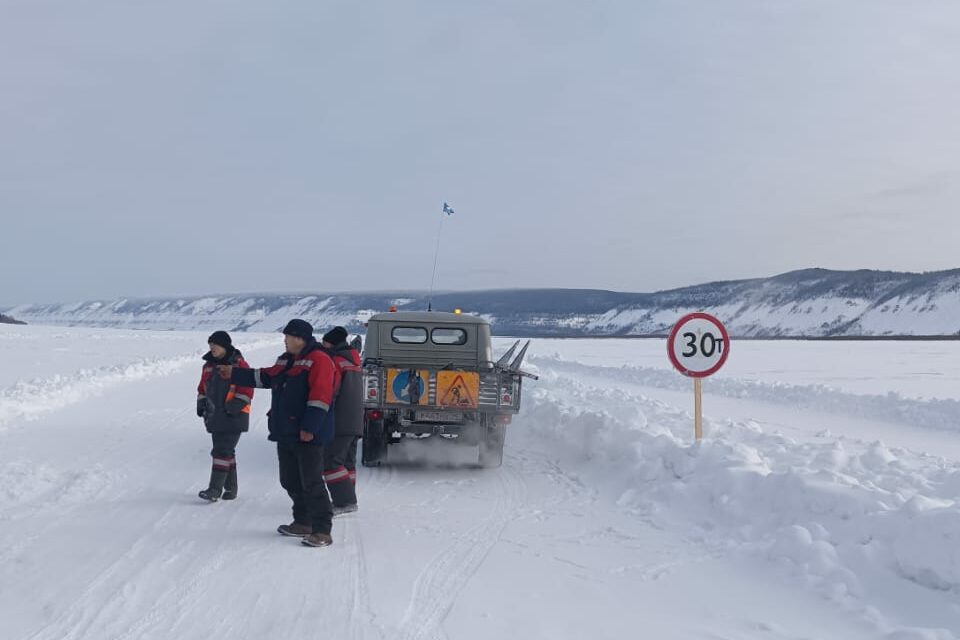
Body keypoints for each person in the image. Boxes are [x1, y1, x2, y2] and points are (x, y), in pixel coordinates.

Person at [220, 319, 338, 548]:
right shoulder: (286, 360)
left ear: (299, 338)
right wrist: (234, 373)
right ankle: (302, 522)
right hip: (286, 431)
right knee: (290, 479)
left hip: (308, 434)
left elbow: (321, 397)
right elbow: (266, 377)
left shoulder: (319, 360)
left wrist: (309, 428)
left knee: (312, 482)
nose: (284, 340)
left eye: (287, 337)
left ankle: (322, 529)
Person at [196, 331, 253, 502]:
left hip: (234, 417)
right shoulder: (208, 366)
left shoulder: (240, 365)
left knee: (221, 451)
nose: (212, 347)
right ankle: (231, 489)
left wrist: (233, 407)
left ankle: (214, 489)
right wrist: (201, 402)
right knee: (227, 451)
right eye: (210, 344)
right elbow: (202, 388)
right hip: (215, 416)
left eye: (216, 344)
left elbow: (247, 390)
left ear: (225, 346)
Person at [320, 326, 363, 515]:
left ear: (331, 343)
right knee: (347, 463)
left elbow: (332, 391)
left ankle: (344, 502)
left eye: (325, 343)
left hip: (340, 419)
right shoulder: (353, 359)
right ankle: (347, 495)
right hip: (355, 420)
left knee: (331, 461)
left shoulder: (336, 361)